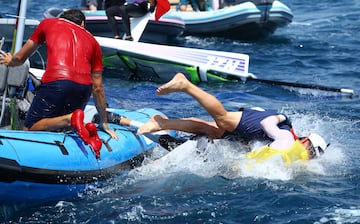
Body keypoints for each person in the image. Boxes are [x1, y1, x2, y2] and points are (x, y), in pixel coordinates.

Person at [138, 73, 328, 163]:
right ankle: (185, 84)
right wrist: (279, 117)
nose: (310, 153)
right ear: (305, 140)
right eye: (311, 149)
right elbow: (267, 124)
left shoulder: (293, 149)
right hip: (260, 122)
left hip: (255, 128)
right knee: (222, 118)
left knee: (212, 129)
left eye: (314, 153)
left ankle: (161, 123)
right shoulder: (288, 138)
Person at [0, 9, 118, 156]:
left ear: (62, 18)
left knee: (30, 128)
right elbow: (98, 87)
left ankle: (69, 119)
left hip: (57, 83)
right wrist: (104, 122)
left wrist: (10, 61)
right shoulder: (93, 41)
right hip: (84, 88)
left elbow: (21, 58)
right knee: (64, 131)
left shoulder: (47, 24)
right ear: (82, 24)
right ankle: (80, 130)